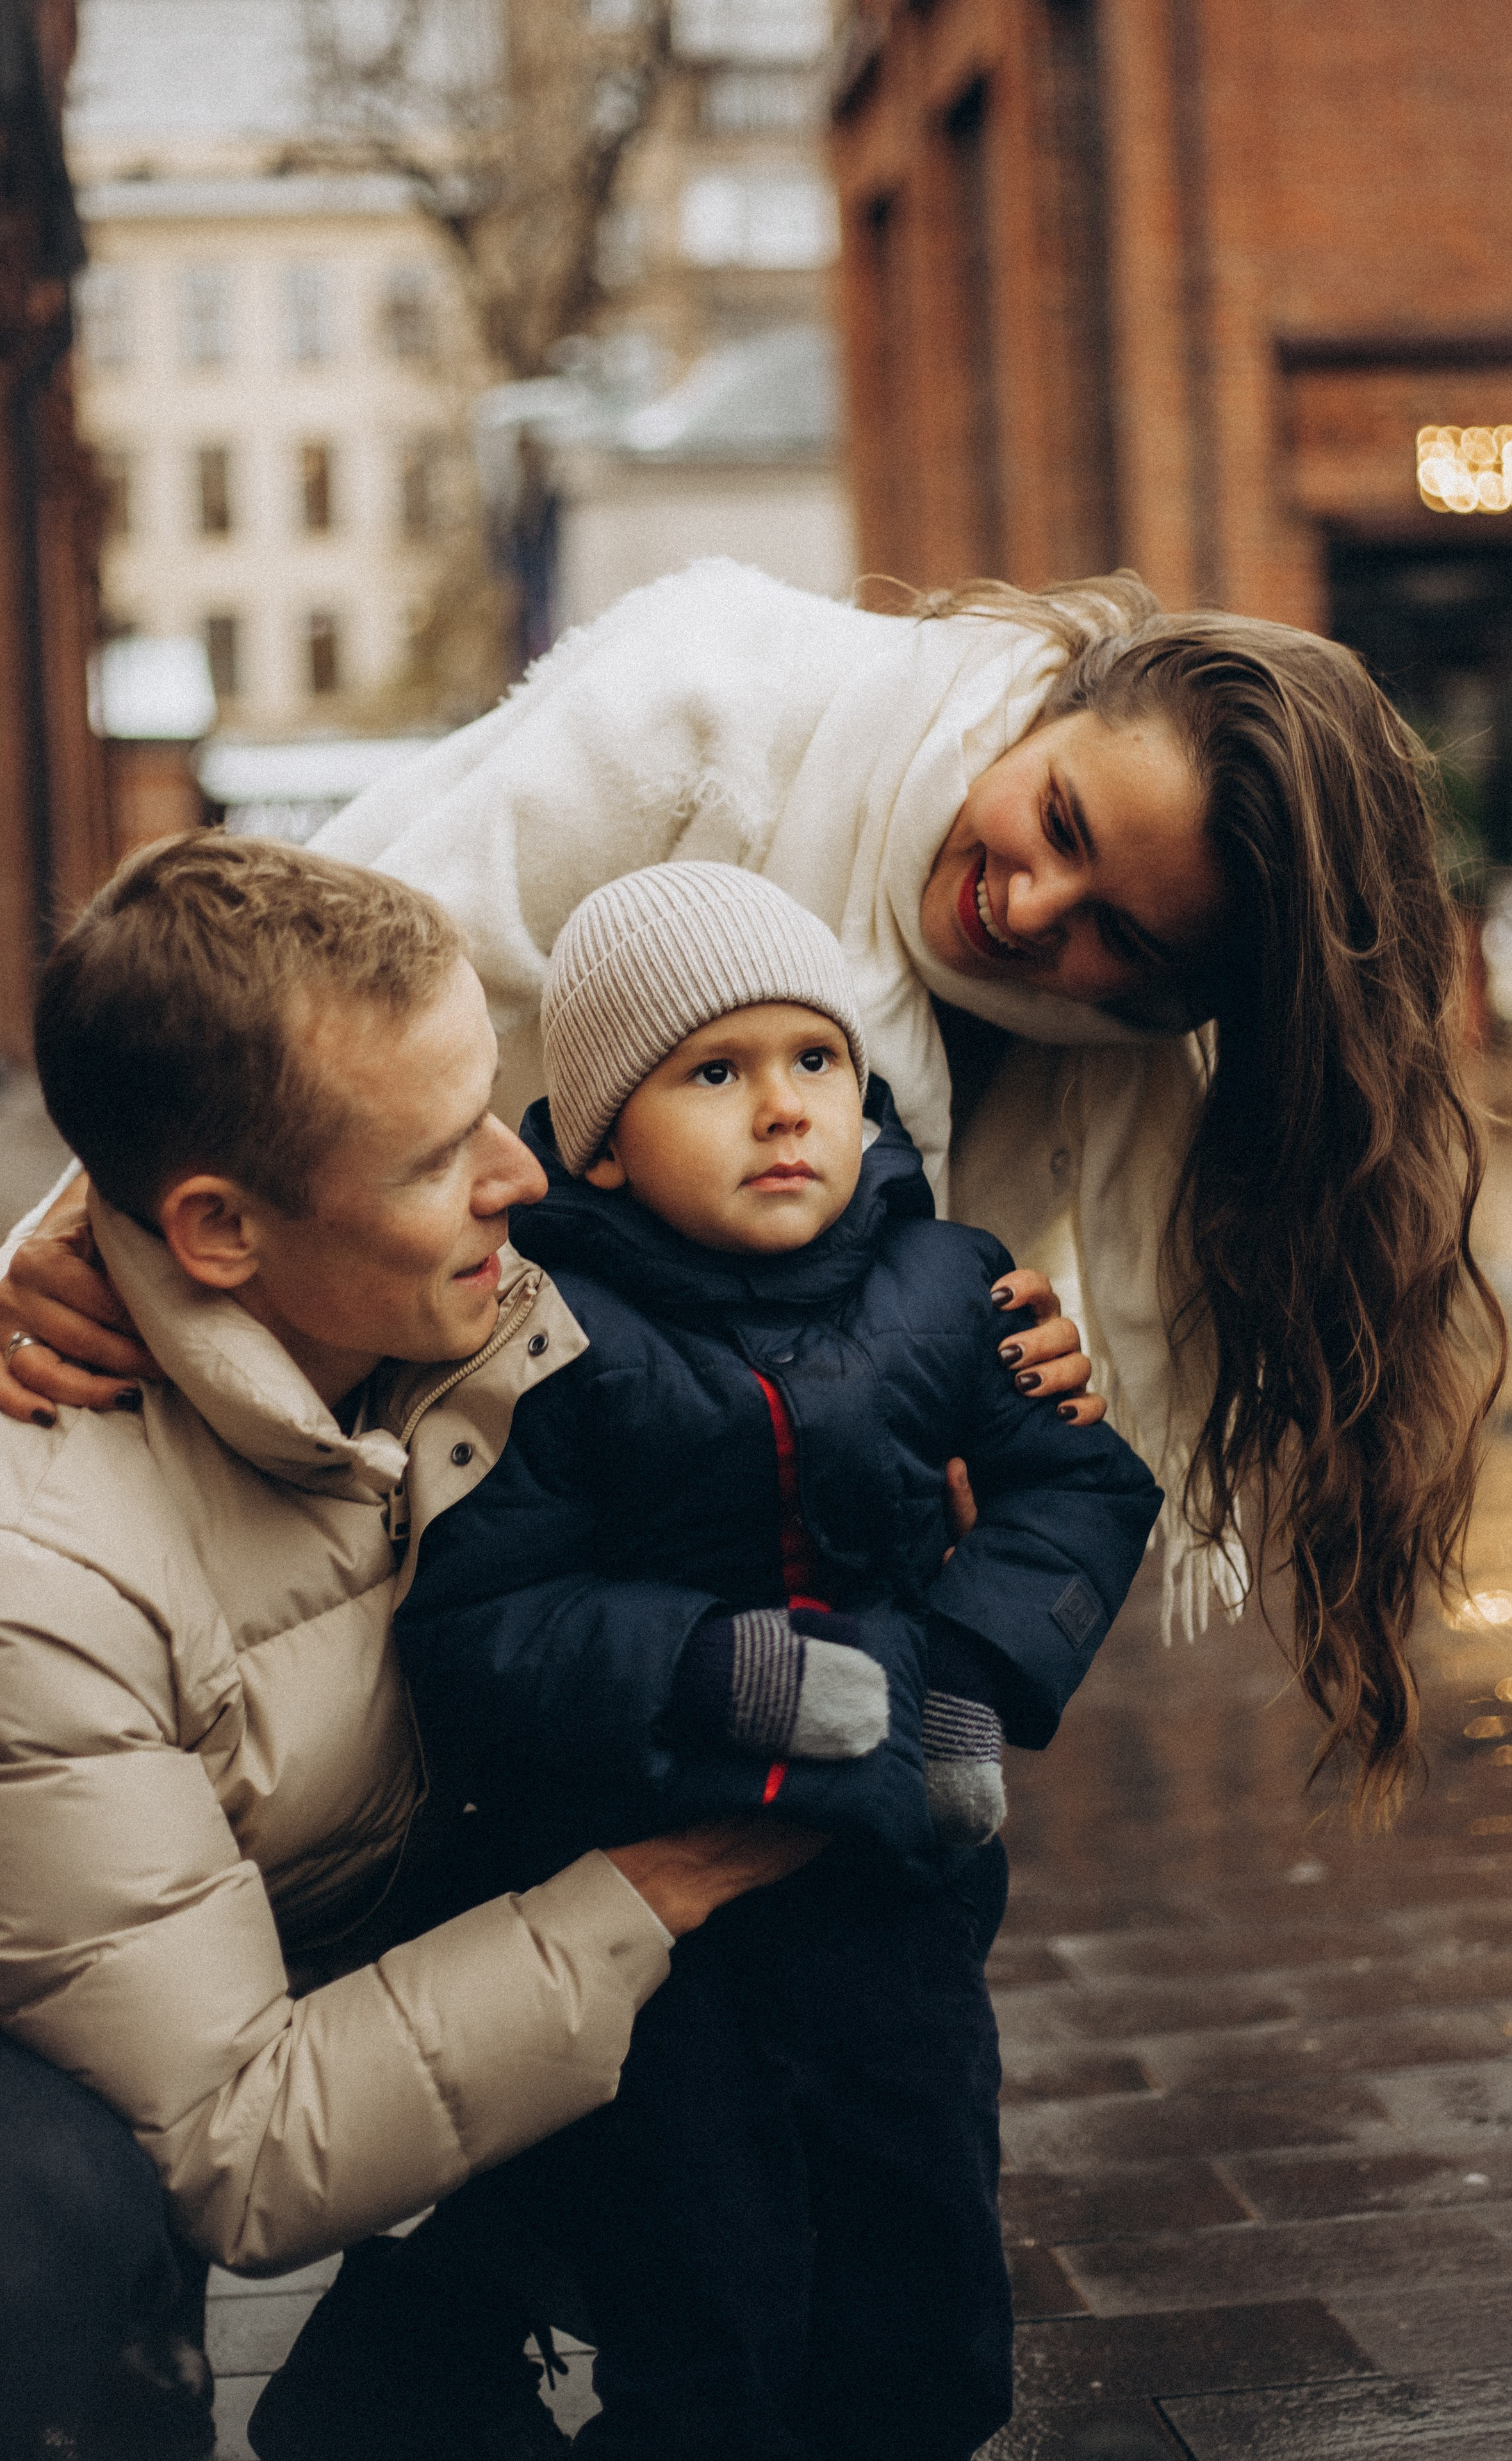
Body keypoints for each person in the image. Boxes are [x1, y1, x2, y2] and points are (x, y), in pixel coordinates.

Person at [3, 559, 1504, 1795]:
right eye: (1057, 820)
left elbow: (876, 1313)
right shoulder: (713, 702)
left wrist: (1004, 1352)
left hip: (611, 1538)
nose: (1031, 909)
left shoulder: (1078, 1052)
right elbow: (301, 990)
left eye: (1123, 935)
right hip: (348, 1349)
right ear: (1054, 702)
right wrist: (105, 1213)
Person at [0, 836, 826, 2461]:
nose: (519, 1179)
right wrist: (666, 1880)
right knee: (60, 2212)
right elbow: (239, 2141)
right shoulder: (45, 1580)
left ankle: (424, 2352)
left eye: (496, 1111)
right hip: (83, 2057)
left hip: (329, 1898)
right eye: (442, 1156)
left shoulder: (464, 1299)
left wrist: (992, 1387)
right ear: (221, 1230)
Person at [317, 862, 1156, 2461]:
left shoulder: (945, 1285)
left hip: (895, 1895)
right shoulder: (548, 1332)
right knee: (710, 2312)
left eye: (812, 1062)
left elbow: (1083, 1488)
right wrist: (720, 1671)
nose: (781, 1109)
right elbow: (484, 1620)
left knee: (924, 2288)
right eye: (715, 1072)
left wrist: (965, 1685)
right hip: (655, 1913)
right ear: (605, 1144)